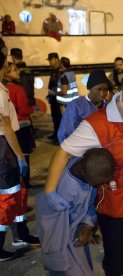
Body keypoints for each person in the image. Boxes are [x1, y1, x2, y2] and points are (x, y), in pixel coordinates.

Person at [44, 75, 123, 275]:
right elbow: (63, 153)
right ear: (121, 96)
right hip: (119, 210)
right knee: (118, 265)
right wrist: (50, 191)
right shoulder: (96, 125)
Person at [36, 148, 115, 276]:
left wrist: (87, 224)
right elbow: (52, 231)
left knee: (82, 266)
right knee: (67, 269)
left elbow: (90, 203)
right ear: (83, 172)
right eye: (94, 184)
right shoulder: (64, 191)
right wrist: (57, 257)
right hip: (62, 238)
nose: (95, 186)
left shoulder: (88, 172)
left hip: (76, 232)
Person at [0, 52, 38, 262]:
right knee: (8, 196)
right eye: (8, 63)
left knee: (18, 192)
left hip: (7, 146)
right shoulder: (0, 91)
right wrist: (19, 156)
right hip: (6, 148)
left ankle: (20, 235)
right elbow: (5, 126)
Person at [57, 69, 111, 144]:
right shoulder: (75, 105)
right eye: (98, 90)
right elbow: (65, 133)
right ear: (90, 88)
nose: (102, 94)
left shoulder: (110, 106)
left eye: (105, 90)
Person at [46, 52, 62, 144]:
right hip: (53, 97)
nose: (49, 62)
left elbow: (60, 85)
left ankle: (58, 137)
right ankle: (55, 133)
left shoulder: (59, 70)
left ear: (56, 59)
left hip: (58, 98)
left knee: (59, 118)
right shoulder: (54, 70)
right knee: (55, 117)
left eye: (50, 60)